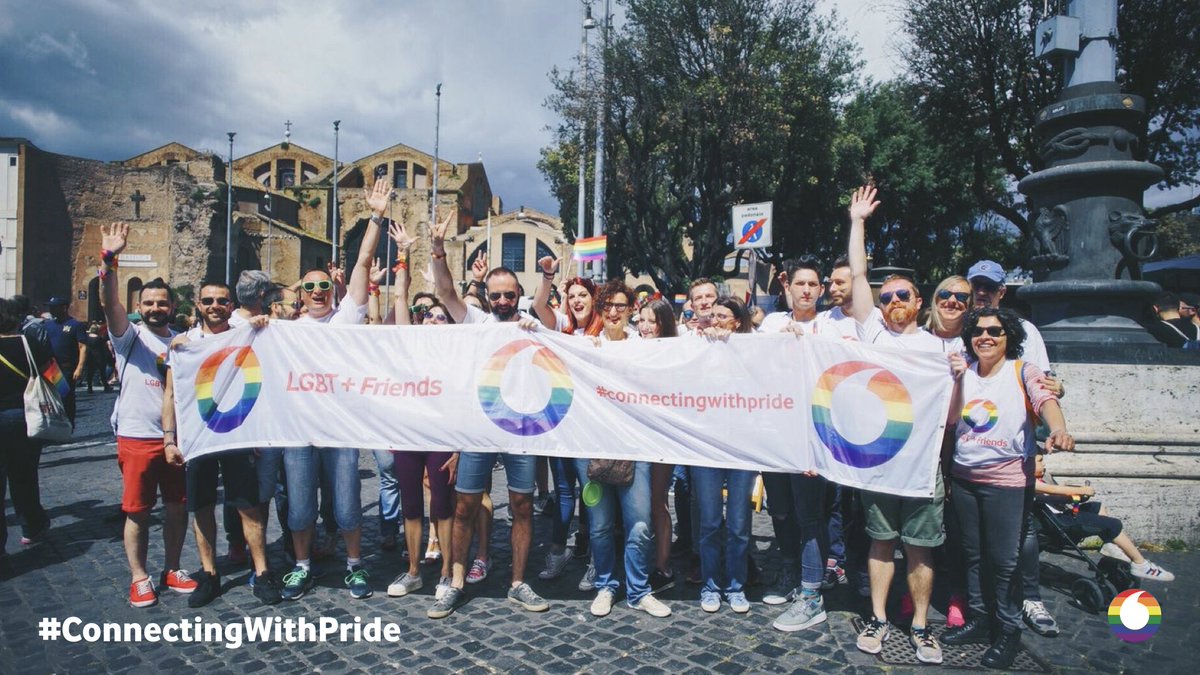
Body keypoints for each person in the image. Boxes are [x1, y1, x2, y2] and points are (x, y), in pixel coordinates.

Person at [425, 205, 548, 619]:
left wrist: (541, 336)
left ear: (519, 296)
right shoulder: (475, 319)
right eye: (494, 294)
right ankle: (455, 581)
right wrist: (439, 251)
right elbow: (445, 295)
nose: (500, 300)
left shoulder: (532, 325)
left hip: (521, 430)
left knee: (522, 505)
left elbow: (566, 359)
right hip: (478, 427)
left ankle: (517, 582)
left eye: (508, 294)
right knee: (464, 506)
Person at [847, 186, 947, 664]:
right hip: (881, 461)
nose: (892, 302)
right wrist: (857, 221)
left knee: (922, 549)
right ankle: (879, 618)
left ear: (918, 300)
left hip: (923, 465)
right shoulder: (872, 332)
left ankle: (922, 625)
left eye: (902, 294)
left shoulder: (939, 348)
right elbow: (860, 274)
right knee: (881, 541)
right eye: (887, 297)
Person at [941, 307, 1073, 668]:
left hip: (1008, 482)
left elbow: (1047, 400)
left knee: (1003, 562)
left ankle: (1008, 630)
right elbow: (951, 422)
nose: (985, 337)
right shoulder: (963, 371)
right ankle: (981, 619)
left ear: (1008, 337)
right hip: (964, 478)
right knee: (972, 555)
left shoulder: (1023, 370)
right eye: (979, 331)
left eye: (995, 332)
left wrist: (1058, 429)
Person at [279, 178, 387, 602]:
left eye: (325, 286)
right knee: (300, 506)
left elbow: (362, 263)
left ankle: (355, 566)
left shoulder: (345, 320)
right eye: (311, 287)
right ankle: (302, 567)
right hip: (301, 432)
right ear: (300, 295)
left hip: (340, 432)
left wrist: (375, 217)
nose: (320, 291)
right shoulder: (286, 332)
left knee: (346, 505)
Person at [161, 281, 280, 606]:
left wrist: (261, 324)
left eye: (222, 301)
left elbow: (265, 382)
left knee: (248, 505)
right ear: (198, 305)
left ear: (231, 306)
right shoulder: (184, 345)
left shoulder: (245, 332)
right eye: (209, 300)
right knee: (201, 507)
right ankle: (210, 574)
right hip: (199, 438)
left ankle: (263, 571)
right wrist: (169, 439)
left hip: (237, 435)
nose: (215, 305)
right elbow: (171, 394)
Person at [98, 222, 197, 607]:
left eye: (162, 303)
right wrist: (110, 259)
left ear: (172, 307)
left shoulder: (181, 341)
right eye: (149, 303)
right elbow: (108, 302)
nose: (156, 308)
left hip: (177, 438)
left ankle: (172, 567)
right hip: (138, 435)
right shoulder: (128, 336)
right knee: (138, 511)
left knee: (177, 508)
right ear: (139, 307)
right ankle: (139, 576)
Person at [562, 280, 671, 618]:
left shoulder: (644, 347)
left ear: (630, 311)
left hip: (633, 447)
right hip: (591, 447)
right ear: (599, 309)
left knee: (639, 523)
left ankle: (639, 590)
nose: (613, 312)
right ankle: (607, 585)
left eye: (620, 306)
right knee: (599, 524)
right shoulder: (584, 346)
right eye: (607, 306)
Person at [691, 295, 758, 615]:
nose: (715, 320)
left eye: (722, 316)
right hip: (707, 446)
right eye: (712, 315)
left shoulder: (754, 348)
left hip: (742, 445)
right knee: (710, 522)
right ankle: (710, 585)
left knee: (739, 524)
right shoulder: (698, 344)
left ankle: (735, 585)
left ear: (737, 321)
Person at [0, 297, 56, 556]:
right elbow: (54, 375)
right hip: (24, 418)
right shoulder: (27, 342)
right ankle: (32, 527)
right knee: (24, 476)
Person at [638, 297, 683, 594]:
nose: (644, 327)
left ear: (664, 323)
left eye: (651, 321)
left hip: (661, 438)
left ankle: (663, 567)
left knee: (657, 503)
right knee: (639, 506)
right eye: (640, 320)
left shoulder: (678, 353)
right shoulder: (632, 347)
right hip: (635, 436)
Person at [44, 296, 86, 423]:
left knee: (66, 396)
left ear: (64, 308)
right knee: (51, 396)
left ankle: (68, 423)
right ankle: (54, 423)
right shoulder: (47, 325)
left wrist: (80, 367)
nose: (51, 310)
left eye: (54, 307)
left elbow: (82, 346)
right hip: (51, 366)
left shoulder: (75, 325)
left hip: (67, 367)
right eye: (50, 307)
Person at [925, 275, 971, 353]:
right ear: (936, 299)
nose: (951, 300)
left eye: (961, 296)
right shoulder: (915, 337)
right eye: (945, 294)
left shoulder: (975, 342)